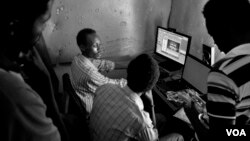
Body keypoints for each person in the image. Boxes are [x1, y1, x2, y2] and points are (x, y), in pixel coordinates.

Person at [183, 0, 250, 140]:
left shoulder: (223, 73)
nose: (215, 43)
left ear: (227, 29)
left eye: (214, 34)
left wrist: (191, 112)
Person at [0, 0, 61, 141]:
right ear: (14, 26)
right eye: (43, 21)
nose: (43, 29)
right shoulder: (15, 94)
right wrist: (48, 95)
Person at [89, 54, 184, 141]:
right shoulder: (141, 120)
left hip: (95, 136)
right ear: (150, 88)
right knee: (179, 136)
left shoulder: (103, 88)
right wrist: (151, 104)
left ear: (128, 72)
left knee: (162, 118)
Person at [70, 28, 127, 116]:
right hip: (92, 113)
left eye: (100, 45)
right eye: (95, 46)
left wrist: (130, 65)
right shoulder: (89, 74)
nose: (100, 49)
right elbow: (114, 85)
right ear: (82, 47)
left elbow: (104, 64)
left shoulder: (78, 59)